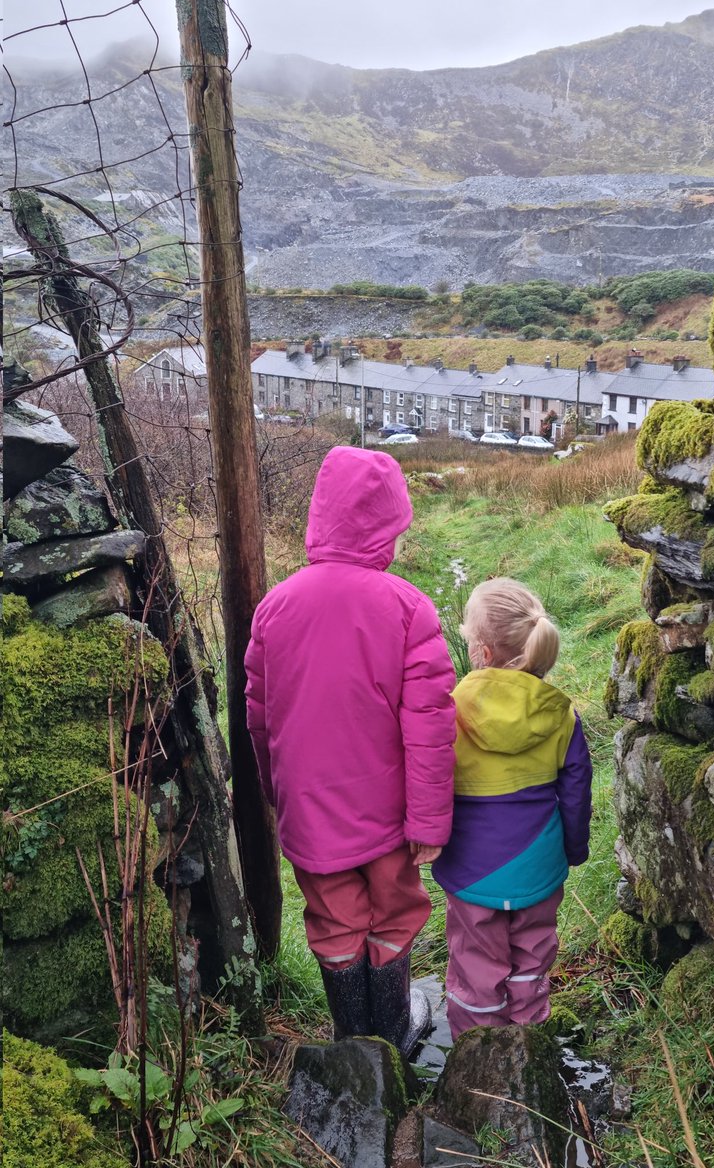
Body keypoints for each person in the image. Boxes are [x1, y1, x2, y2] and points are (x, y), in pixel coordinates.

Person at [245, 446, 456, 1055]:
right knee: (393, 914)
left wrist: (274, 793)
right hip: (390, 818)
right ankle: (391, 1034)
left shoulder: (273, 609)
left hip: (309, 813)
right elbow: (430, 729)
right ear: (386, 528)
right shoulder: (408, 608)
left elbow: (259, 721)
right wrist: (429, 823)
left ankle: (350, 1040)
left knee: (334, 919)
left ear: (320, 517)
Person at [431, 577, 593, 1040]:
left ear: (481, 651)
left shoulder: (452, 707)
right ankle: (529, 1042)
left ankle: (479, 1056)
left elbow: (432, 780)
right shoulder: (560, 714)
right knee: (533, 955)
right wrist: (574, 849)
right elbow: (577, 790)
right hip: (540, 864)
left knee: (475, 964)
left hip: (471, 869)